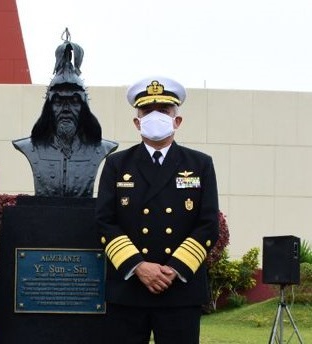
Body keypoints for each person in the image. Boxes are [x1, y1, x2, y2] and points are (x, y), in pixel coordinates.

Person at [95, 76, 219, 344]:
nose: (155, 117)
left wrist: (173, 269)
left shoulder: (200, 164)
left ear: (177, 121)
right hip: (128, 288)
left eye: (163, 111)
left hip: (180, 290)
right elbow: (105, 222)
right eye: (147, 112)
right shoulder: (117, 164)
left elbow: (208, 224)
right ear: (137, 122)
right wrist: (138, 266)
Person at [13, 36, 117, 197]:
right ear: (49, 107)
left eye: (74, 101)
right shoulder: (30, 146)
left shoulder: (101, 148)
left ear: (84, 107)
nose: (66, 109)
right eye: (59, 101)